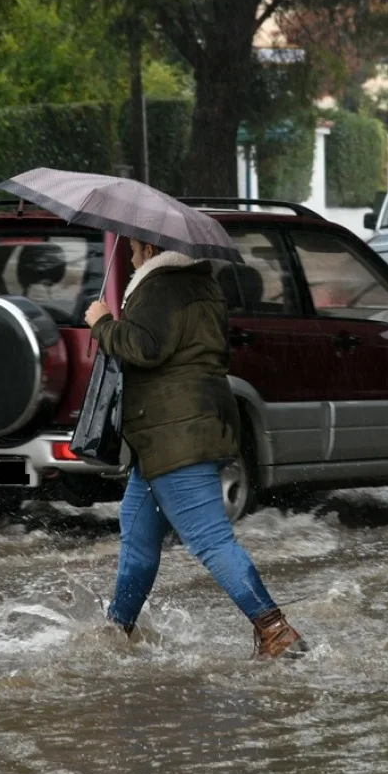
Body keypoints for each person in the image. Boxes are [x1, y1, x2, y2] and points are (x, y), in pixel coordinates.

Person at [84, 237, 307, 660]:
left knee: (210, 539)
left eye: (134, 249)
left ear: (150, 248)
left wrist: (102, 323)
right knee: (138, 546)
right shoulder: (202, 284)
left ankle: (275, 630)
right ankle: (116, 635)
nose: (131, 257)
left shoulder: (160, 287)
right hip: (176, 432)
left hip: (174, 434)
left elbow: (143, 347)